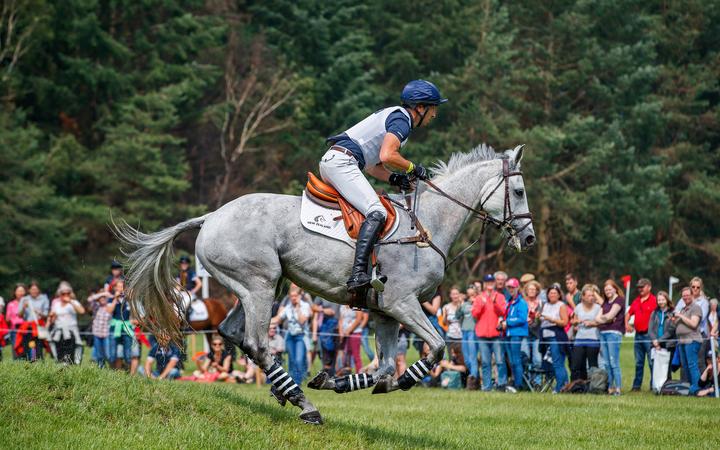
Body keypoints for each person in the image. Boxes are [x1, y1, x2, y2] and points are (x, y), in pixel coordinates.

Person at [321, 79, 447, 293]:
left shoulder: (395, 117)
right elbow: (388, 154)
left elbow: (373, 166)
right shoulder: (402, 120)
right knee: (377, 211)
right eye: (433, 108)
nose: (434, 114)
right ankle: (358, 274)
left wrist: (394, 178)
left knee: (371, 208)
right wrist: (413, 168)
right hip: (342, 163)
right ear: (420, 108)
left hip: (337, 161)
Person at [472, 273, 508, 391]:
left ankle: (501, 384)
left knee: (500, 361)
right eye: (487, 282)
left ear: (494, 283)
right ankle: (487, 386)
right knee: (486, 363)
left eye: (491, 282)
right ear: (484, 284)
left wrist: (494, 302)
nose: (489, 284)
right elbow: (475, 314)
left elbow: (503, 312)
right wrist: (482, 303)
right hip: (482, 335)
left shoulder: (500, 296)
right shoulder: (479, 298)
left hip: (496, 334)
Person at [271, 286, 311, 384]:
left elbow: (302, 321)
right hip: (290, 336)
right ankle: (292, 382)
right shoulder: (288, 307)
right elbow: (277, 319)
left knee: (298, 360)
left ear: (299, 296)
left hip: (301, 336)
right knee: (292, 360)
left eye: (295, 296)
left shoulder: (305, 306)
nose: (293, 298)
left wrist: (297, 308)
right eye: (291, 296)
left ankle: (298, 382)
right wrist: (265, 322)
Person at [626, 278, 657, 391]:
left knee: (651, 362)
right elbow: (628, 314)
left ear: (649, 287)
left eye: (642, 287)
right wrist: (626, 324)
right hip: (638, 335)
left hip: (649, 336)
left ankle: (653, 386)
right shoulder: (636, 300)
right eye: (639, 287)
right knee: (638, 363)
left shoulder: (654, 300)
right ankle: (636, 386)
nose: (640, 289)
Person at [595, 279, 625, 395]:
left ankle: (618, 388)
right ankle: (610, 387)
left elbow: (610, 315)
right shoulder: (605, 303)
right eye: (606, 289)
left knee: (614, 362)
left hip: (614, 334)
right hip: (603, 333)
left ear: (615, 289)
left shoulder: (619, 300)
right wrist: (606, 318)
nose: (607, 291)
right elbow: (598, 318)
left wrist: (606, 318)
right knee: (606, 363)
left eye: (609, 289)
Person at [671, 290, 703, 395]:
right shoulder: (683, 309)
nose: (685, 297)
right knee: (685, 366)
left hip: (692, 340)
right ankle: (690, 388)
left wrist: (680, 316)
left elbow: (694, 324)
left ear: (692, 295)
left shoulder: (696, 308)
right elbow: (678, 325)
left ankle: (697, 389)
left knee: (692, 365)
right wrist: (673, 320)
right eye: (683, 296)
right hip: (682, 341)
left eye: (687, 295)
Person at [540, 284, 570, 393]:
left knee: (558, 363)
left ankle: (559, 387)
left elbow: (565, 322)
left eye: (555, 293)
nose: (552, 295)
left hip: (556, 336)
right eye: (550, 293)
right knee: (550, 363)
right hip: (545, 337)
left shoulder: (561, 305)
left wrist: (552, 319)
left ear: (559, 295)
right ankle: (566, 386)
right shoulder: (545, 305)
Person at [47, 283, 85, 364]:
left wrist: (70, 301)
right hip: (59, 332)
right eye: (63, 293)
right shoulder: (56, 304)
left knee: (70, 354)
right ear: (60, 294)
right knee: (59, 354)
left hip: (71, 332)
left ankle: (71, 368)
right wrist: (51, 316)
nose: (65, 295)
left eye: (68, 293)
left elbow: (82, 311)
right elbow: (53, 320)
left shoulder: (74, 302)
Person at [570, 285, 602, 381]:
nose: (591, 298)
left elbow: (602, 323)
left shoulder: (598, 308)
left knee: (593, 365)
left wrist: (592, 323)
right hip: (579, 339)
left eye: (592, 295)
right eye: (588, 296)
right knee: (577, 364)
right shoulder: (578, 307)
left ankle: (594, 385)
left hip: (593, 339)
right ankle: (577, 385)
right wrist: (576, 322)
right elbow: (573, 321)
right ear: (583, 297)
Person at [504, 278, 528, 391]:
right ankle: (515, 382)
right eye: (509, 287)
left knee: (516, 360)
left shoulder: (521, 302)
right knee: (512, 361)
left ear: (517, 288)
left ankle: (519, 385)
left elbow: (522, 319)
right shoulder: (509, 302)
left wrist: (507, 322)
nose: (511, 289)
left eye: (512, 287)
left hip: (516, 334)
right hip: (508, 334)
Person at [17, 281, 50, 360]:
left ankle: (38, 363)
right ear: (29, 290)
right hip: (28, 328)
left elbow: (46, 315)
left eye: (36, 289)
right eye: (32, 289)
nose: (34, 291)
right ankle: (30, 361)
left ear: (38, 290)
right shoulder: (25, 299)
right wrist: (24, 307)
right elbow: (20, 315)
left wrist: (39, 312)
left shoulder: (44, 298)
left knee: (38, 348)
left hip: (38, 327)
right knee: (29, 347)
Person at [648, 291, 675, 382]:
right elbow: (650, 329)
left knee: (666, 367)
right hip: (655, 344)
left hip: (668, 344)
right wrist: (655, 341)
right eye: (659, 300)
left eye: (663, 299)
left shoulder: (672, 313)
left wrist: (659, 340)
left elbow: (671, 330)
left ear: (667, 300)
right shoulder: (654, 313)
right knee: (654, 366)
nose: (661, 302)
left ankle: (667, 387)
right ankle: (655, 386)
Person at [106, 280, 134, 369]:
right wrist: (115, 298)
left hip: (126, 327)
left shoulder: (128, 300)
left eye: (122, 287)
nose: (120, 289)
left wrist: (131, 298)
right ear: (115, 288)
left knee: (128, 354)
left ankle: (128, 374)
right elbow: (109, 311)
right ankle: (111, 372)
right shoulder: (111, 299)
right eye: (118, 287)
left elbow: (134, 312)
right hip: (115, 327)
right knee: (112, 353)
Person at [456, 285, 479, 389]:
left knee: (473, 358)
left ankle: (473, 379)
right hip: (464, 332)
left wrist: (475, 303)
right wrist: (459, 304)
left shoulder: (478, 303)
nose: (470, 297)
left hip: (473, 332)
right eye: (469, 295)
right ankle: (474, 376)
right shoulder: (465, 304)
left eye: (472, 294)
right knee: (466, 359)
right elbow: (457, 316)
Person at [312, 297, 340, 376]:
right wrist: (324, 310)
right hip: (326, 325)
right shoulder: (321, 293)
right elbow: (313, 307)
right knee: (327, 348)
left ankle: (333, 373)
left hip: (339, 324)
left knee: (336, 350)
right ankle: (327, 373)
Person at [87, 289, 112, 368]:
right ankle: (101, 368)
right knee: (99, 354)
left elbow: (114, 297)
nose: (102, 299)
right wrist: (102, 293)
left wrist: (107, 294)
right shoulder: (96, 306)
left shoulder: (110, 306)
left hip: (106, 334)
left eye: (104, 297)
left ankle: (112, 368)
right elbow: (89, 299)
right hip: (97, 333)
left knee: (108, 354)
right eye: (101, 298)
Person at [524, 280, 544, 376]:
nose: (531, 291)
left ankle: (537, 383)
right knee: (525, 358)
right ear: (526, 291)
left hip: (537, 335)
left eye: (534, 289)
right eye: (529, 289)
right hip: (524, 334)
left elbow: (544, 318)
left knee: (537, 360)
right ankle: (527, 382)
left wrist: (539, 318)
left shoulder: (541, 304)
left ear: (537, 291)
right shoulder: (522, 303)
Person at [338, 305, 365, 373]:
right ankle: (347, 375)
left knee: (356, 356)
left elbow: (359, 319)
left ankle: (359, 375)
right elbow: (341, 320)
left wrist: (349, 330)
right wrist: (341, 332)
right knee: (346, 356)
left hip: (355, 333)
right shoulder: (342, 306)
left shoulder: (356, 305)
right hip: (344, 334)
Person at [5, 284, 26, 360]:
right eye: (19, 291)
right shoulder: (11, 304)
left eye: (22, 291)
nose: (21, 293)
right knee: (16, 348)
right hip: (15, 330)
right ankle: (17, 365)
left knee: (27, 348)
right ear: (15, 292)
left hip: (26, 329)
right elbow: (7, 319)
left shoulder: (27, 303)